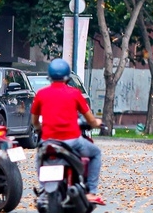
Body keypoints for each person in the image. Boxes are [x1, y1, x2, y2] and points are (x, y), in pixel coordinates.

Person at [30, 59, 104, 204]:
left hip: (48, 142)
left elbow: (34, 120)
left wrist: (39, 129)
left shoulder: (41, 94)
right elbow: (90, 119)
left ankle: (43, 189)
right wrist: (97, 123)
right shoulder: (75, 93)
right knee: (96, 153)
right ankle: (91, 191)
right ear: (67, 77)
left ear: (49, 77)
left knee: (40, 158)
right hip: (73, 142)